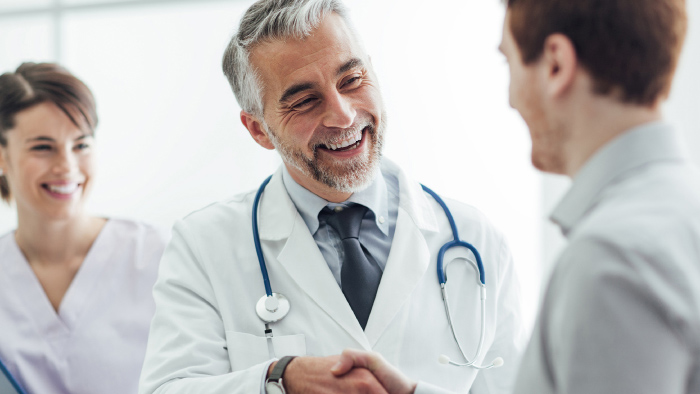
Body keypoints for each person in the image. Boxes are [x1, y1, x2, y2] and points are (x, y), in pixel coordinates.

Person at [138, 0, 526, 393]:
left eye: (352, 79)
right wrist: (277, 380)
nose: (342, 116)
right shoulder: (203, 245)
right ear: (257, 129)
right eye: (305, 101)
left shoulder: (476, 239)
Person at [330, 0, 700, 393]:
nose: (510, 98)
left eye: (510, 63)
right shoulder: (678, 211)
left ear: (556, 64)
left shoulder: (612, 259)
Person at [0, 62, 169, 394]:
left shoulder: (155, 255)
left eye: (81, 145)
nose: (67, 166)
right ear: (2, 157)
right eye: (42, 147)